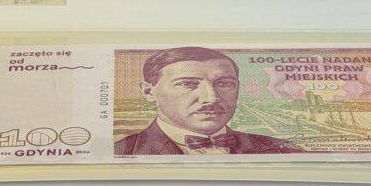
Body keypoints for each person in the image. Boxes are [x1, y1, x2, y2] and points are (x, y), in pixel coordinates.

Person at [114, 46, 303, 155]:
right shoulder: (119, 152)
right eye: (187, 84)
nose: (211, 97)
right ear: (149, 91)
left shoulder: (283, 150)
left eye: (224, 83)